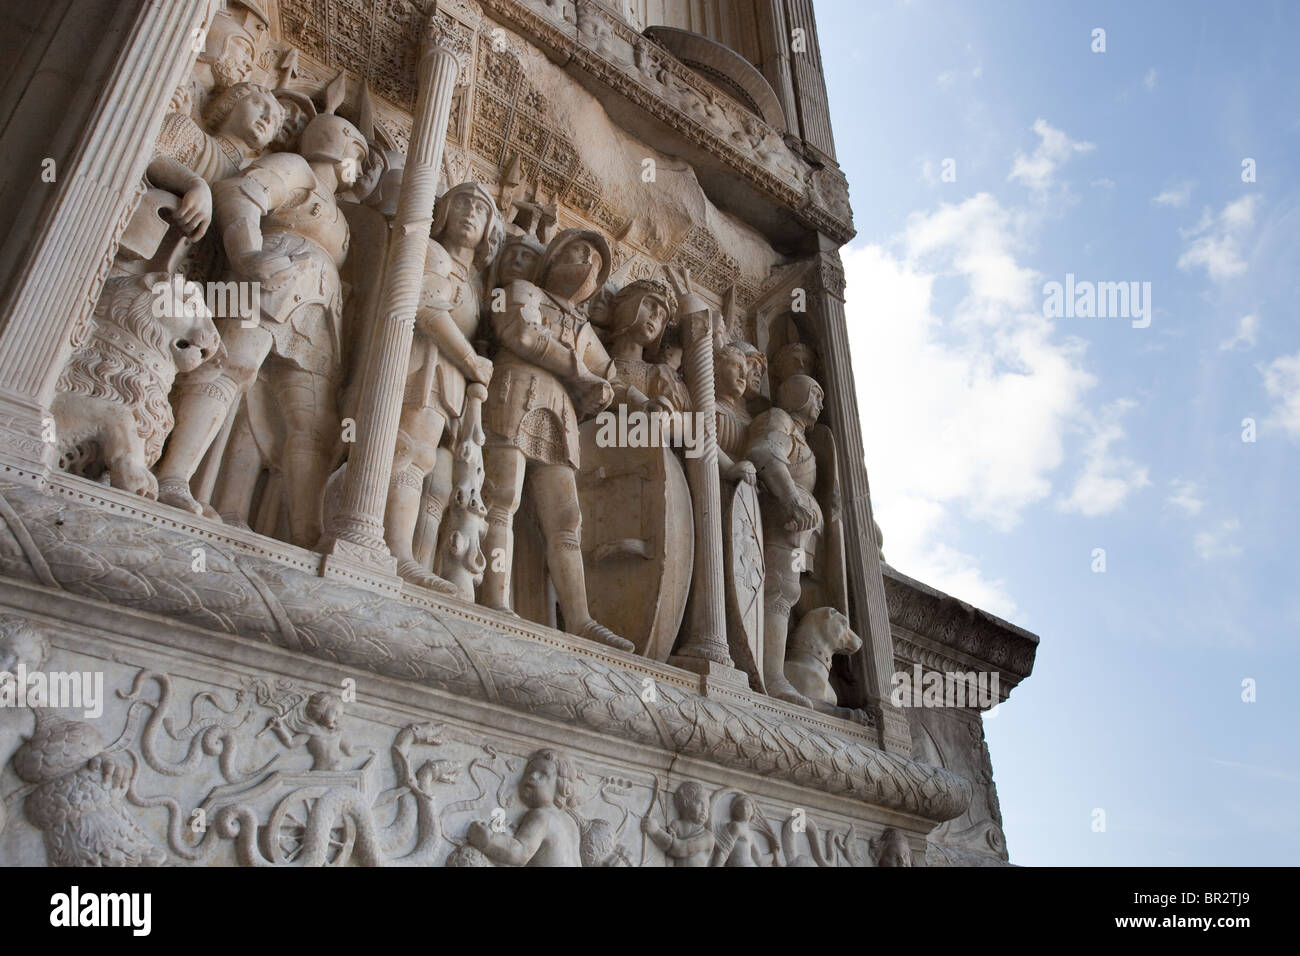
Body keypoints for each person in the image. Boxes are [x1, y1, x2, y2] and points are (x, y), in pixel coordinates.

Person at [479, 228, 633, 651]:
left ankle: (580, 619)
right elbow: (521, 334)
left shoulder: (582, 326)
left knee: (567, 519)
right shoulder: (523, 290)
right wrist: (579, 373)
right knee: (502, 495)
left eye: (596, 263)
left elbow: (611, 378)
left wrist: (635, 400)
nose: (587, 262)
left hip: (561, 416)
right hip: (516, 392)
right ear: (554, 258)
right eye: (579, 251)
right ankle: (493, 596)